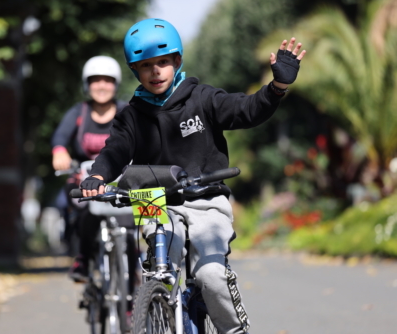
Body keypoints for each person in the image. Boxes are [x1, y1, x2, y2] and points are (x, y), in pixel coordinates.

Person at [79, 18, 306, 334]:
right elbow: (115, 151)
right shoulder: (131, 116)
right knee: (159, 270)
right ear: (134, 71)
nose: (155, 71)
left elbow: (246, 109)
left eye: (162, 62)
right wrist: (98, 176)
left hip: (206, 199)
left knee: (211, 276)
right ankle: (158, 310)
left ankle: (233, 329)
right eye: (145, 66)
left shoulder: (203, 98)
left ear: (177, 61)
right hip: (153, 200)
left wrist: (276, 88)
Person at [51, 55, 132, 282]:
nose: (102, 86)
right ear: (87, 84)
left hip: (118, 181)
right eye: (96, 80)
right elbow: (60, 136)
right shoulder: (79, 113)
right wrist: (59, 150)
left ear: (115, 84)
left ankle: (133, 274)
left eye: (107, 80)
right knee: (87, 214)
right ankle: (84, 259)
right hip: (83, 181)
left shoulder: (127, 112)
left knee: (131, 223)